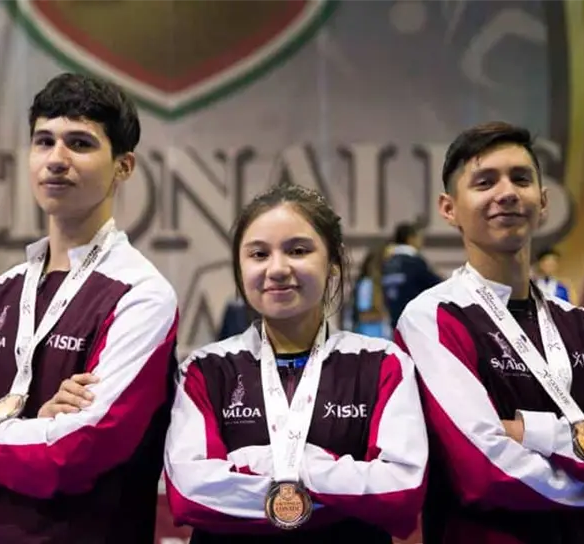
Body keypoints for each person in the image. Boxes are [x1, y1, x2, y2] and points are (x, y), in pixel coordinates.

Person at [0, 73, 180, 543]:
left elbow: (75, 454)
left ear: (124, 167)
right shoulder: (2, 290)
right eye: (44, 141)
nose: (56, 160)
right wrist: (33, 428)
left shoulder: (141, 295)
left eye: (79, 143)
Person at [395, 122, 584, 543]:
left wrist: (527, 432)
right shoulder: (432, 318)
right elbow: (484, 470)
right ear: (448, 209)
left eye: (520, 179)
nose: (506, 192)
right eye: (484, 182)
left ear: (542, 203)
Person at [164, 183, 428, 543]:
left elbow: (400, 490)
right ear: (240, 268)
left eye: (298, 250)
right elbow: (191, 494)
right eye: (258, 254)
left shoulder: (383, 364)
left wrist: (262, 464)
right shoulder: (205, 370)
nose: (277, 269)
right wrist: (340, 476)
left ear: (333, 263)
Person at [382, 220, 442, 327]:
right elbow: (437, 286)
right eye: (419, 237)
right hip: (414, 322)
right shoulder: (414, 262)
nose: (422, 241)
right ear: (410, 238)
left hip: (394, 321)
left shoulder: (388, 263)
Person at [350, 243, 392, 339]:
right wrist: (383, 315)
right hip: (368, 338)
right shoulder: (366, 284)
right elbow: (363, 315)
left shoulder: (381, 284)